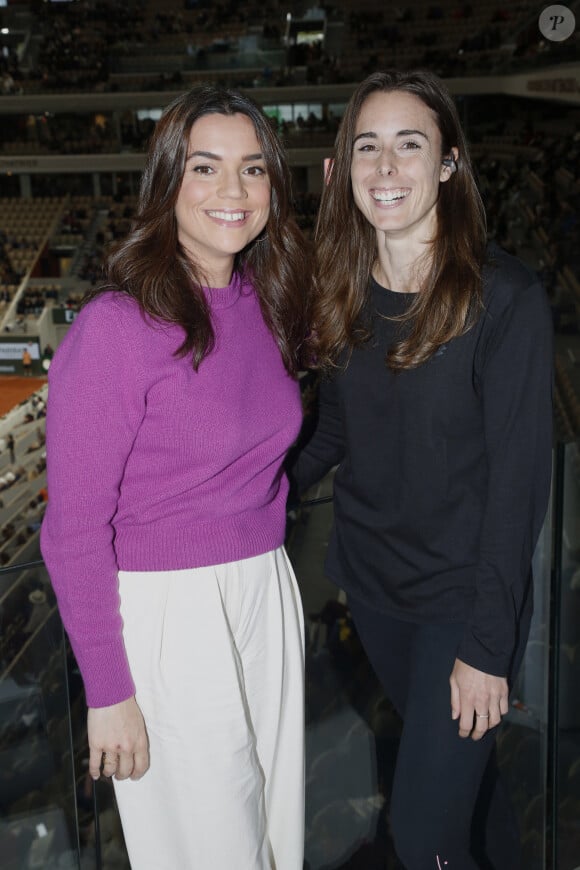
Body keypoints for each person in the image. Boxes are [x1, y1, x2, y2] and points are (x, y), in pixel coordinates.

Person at [41, 85, 311, 870]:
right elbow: (74, 529)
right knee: (209, 852)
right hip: (168, 616)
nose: (234, 191)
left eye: (254, 169)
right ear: (168, 182)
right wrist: (108, 690)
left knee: (273, 840)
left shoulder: (268, 301)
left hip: (266, 591)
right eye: (206, 167)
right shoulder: (115, 328)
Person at [292, 70, 553, 869]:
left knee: (426, 832)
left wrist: (484, 648)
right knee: (467, 798)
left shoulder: (503, 299)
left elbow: (517, 490)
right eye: (367, 146)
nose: (386, 166)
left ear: (448, 163)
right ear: (344, 167)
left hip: (462, 606)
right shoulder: (339, 284)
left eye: (411, 144)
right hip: (376, 595)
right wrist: (251, 499)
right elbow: (337, 425)